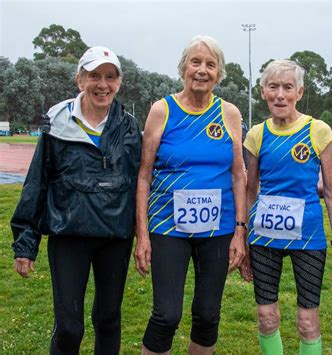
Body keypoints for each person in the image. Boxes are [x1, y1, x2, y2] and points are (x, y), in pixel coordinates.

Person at [11, 46, 142, 354]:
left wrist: (147, 238)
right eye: (94, 76)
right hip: (68, 235)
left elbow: (140, 183)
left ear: (119, 83)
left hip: (115, 237)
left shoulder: (129, 127)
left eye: (110, 77)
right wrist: (26, 242)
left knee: (108, 319)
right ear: (80, 79)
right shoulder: (58, 123)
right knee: (70, 327)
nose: (102, 85)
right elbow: (37, 183)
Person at [134, 35, 246, 355]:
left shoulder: (229, 114)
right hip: (168, 226)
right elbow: (144, 175)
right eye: (195, 62)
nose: (202, 70)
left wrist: (240, 230)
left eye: (210, 64)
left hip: (219, 228)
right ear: (183, 67)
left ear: (219, 73)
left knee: (208, 314)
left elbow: (238, 174)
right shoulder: (162, 110)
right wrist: (142, 235)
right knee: (167, 315)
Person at [243, 59, 332, 355]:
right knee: (266, 317)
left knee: (307, 322)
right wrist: (244, 237)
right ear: (262, 92)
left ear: (299, 92)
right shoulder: (256, 135)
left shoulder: (318, 130)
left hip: (309, 238)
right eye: (273, 87)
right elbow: (251, 192)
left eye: (287, 87)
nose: (280, 94)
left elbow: (330, 191)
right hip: (264, 238)